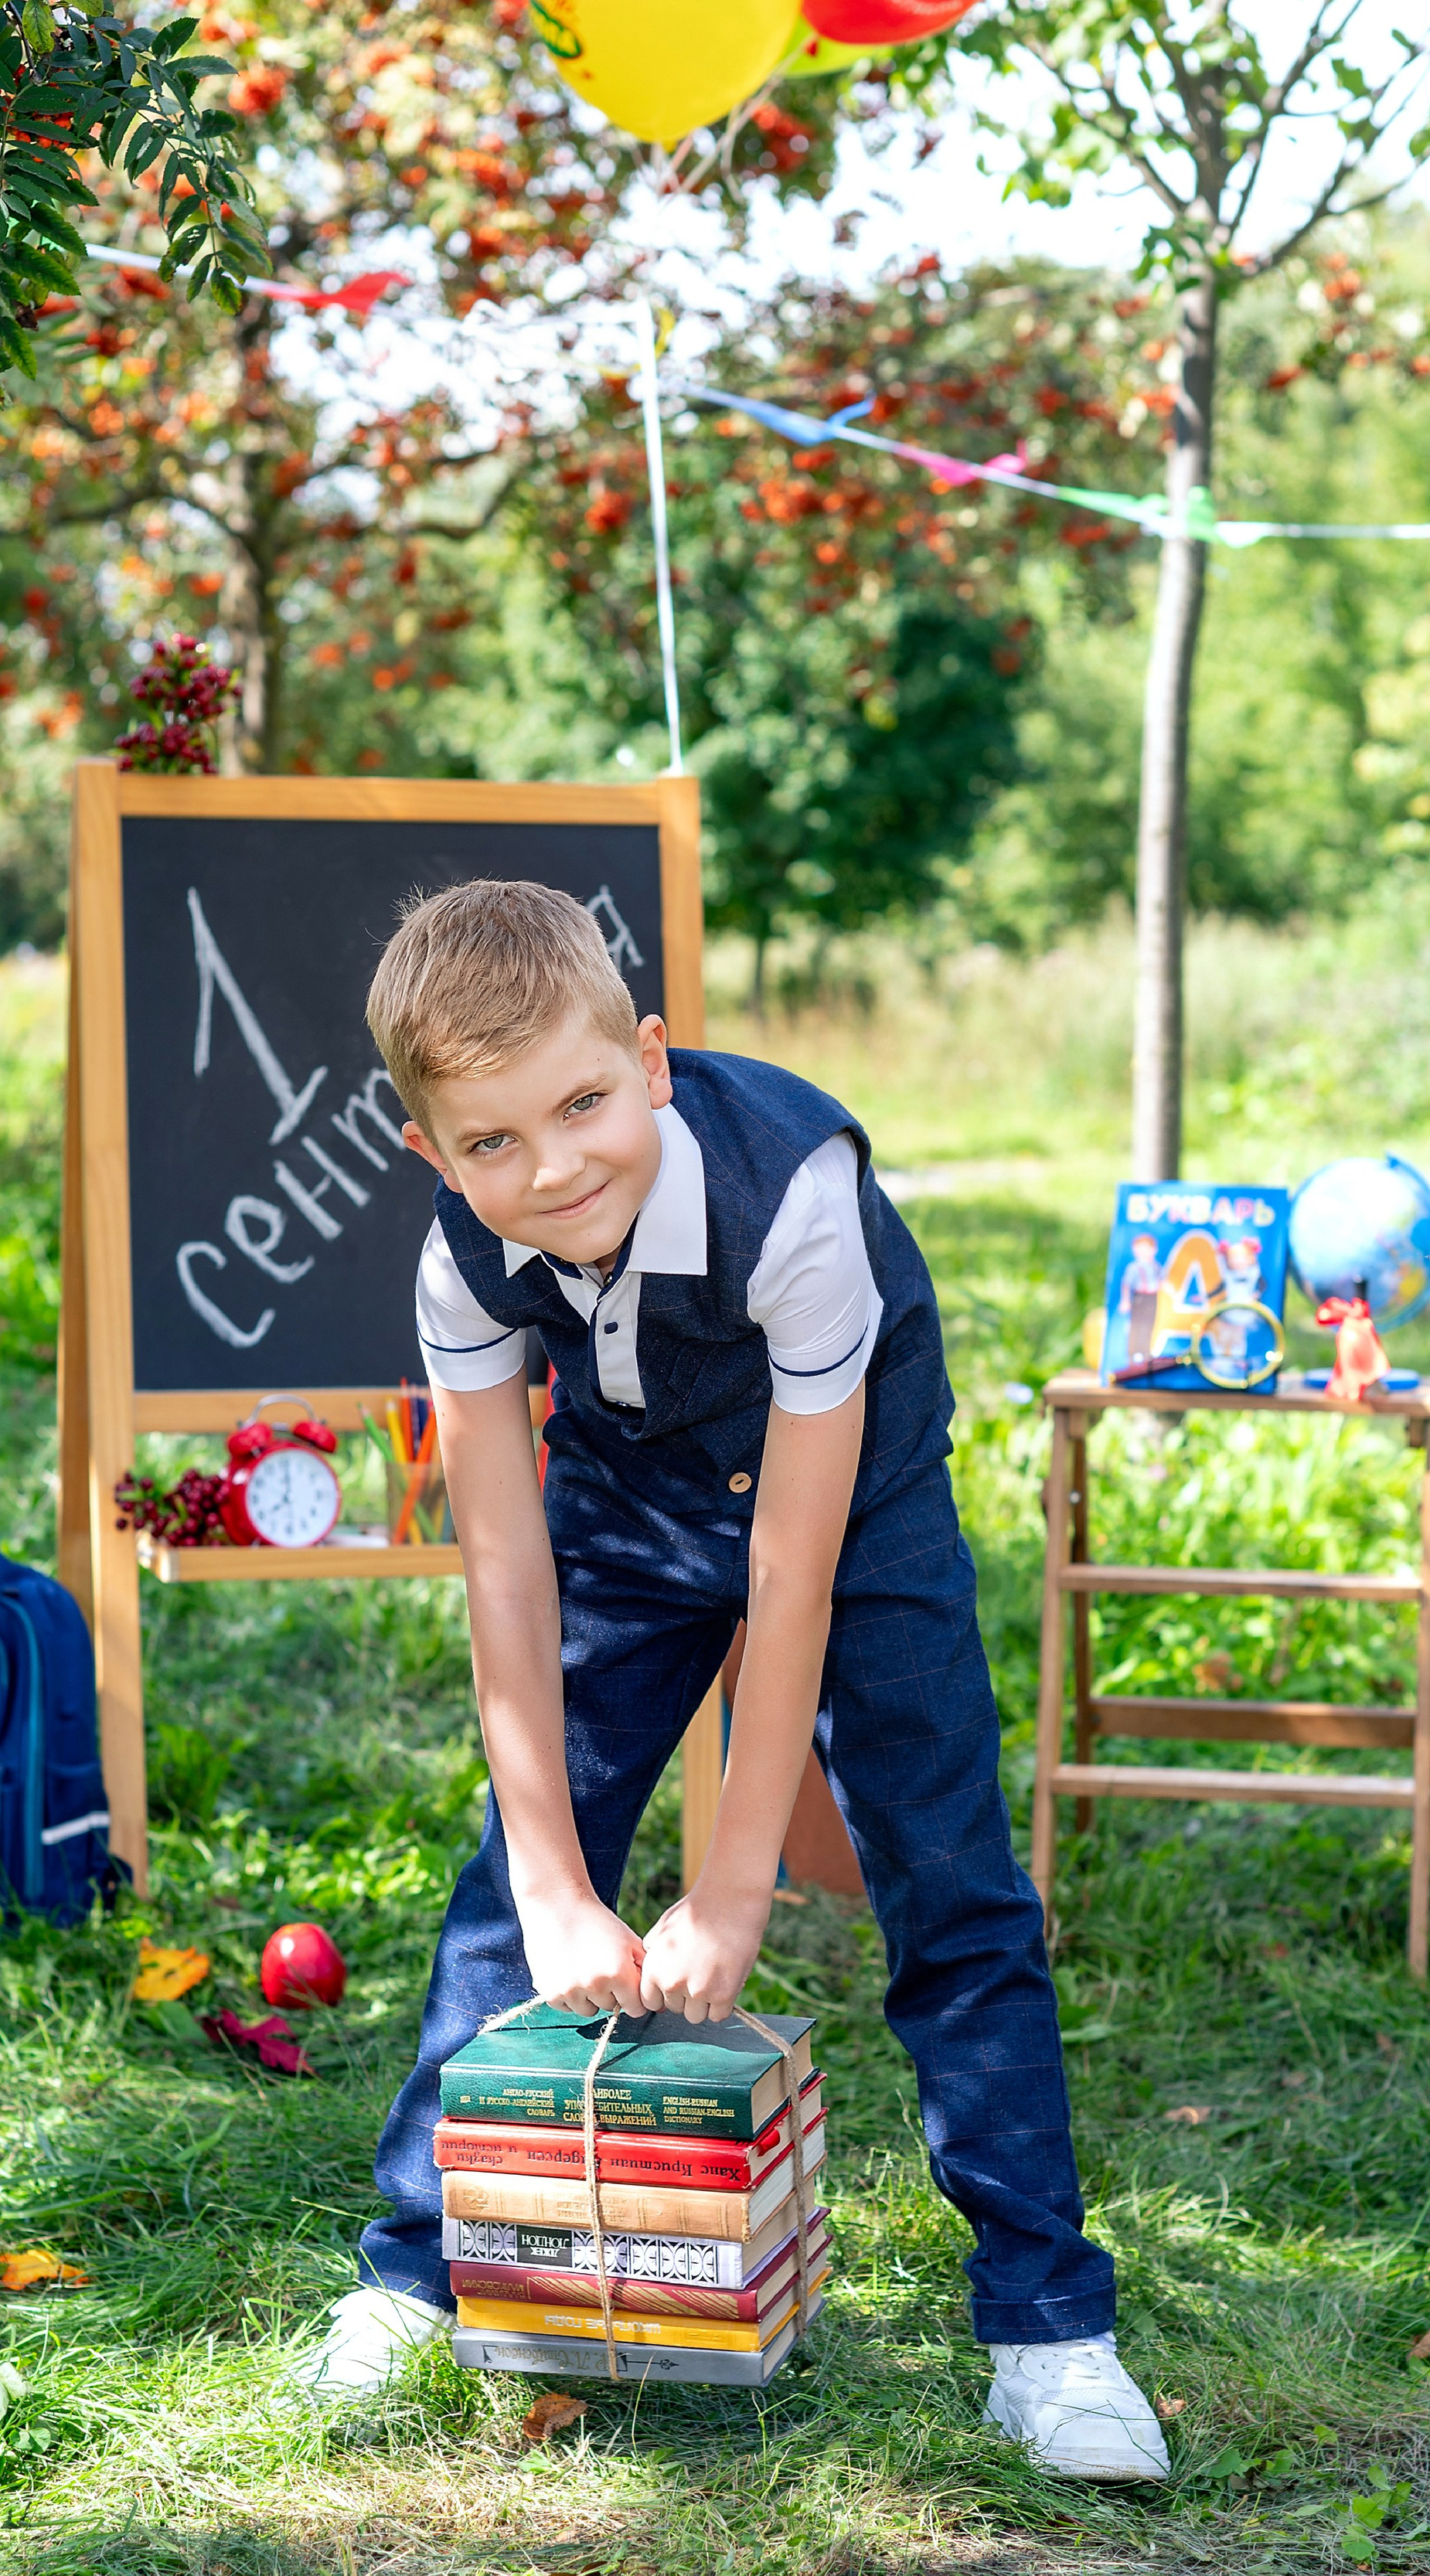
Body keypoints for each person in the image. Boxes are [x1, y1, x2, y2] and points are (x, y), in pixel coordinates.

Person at [291, 880, 1166, 2482]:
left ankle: (1047, 2325)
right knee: (509, 1883)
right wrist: (562, 1884)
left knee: (952, 1877)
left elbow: (793, 1572)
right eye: (490, 1144)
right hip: (626, 1501)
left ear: (649, 1060)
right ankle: (415, 2267)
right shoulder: (458, 1262)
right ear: (430, 1156)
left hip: (852, 1508)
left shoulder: (796, 1202)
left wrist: (733, 1882)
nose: (552, 1167)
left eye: (580, 1104)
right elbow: (500, 1566)